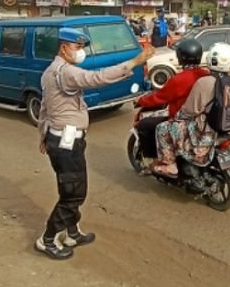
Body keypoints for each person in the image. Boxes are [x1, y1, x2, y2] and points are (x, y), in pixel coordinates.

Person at [35, 28, 153, 260]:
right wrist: (134, 62)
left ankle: (71, 232)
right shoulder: (65, 71)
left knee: (74, 187)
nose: (81, 53)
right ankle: (47, 239)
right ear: (64, 48)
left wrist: (43, 135)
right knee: (73, 193)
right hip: (65, 142)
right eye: (78, 48)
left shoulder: (50, 71)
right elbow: (95, 78)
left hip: (61, 138)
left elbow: (45, 107)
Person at [149, 43, 230, 177]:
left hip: (204, 130)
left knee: (162, 128)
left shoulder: (204, 81)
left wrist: (176, 119)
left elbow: (189, 110)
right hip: (222, 126)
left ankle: (170, 165)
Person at [134, 39, 209, 158]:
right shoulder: (206, 74)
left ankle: (157, 160)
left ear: (180, 57)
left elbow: (159, 97)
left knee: (144, 124)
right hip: (203, 120)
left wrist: (141, 100)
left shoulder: (179, 79)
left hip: (182, 121)